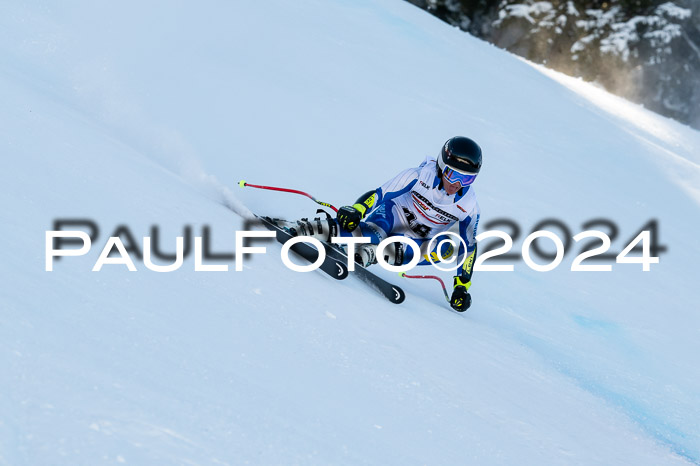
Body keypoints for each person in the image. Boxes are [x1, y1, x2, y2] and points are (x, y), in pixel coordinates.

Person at [281, 136, 481, 311]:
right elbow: (380, 194)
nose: (457, 184)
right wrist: (357, 210)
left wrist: (462, 286)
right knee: (373, 234)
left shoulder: (469, 205)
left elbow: (469, 248)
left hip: (416, 240)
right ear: (440, 166)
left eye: (467, 179)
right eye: (453, 174)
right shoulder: (419, 175)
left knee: (448, 248)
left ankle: (369, 254)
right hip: (392, 216)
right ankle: (307, 228)